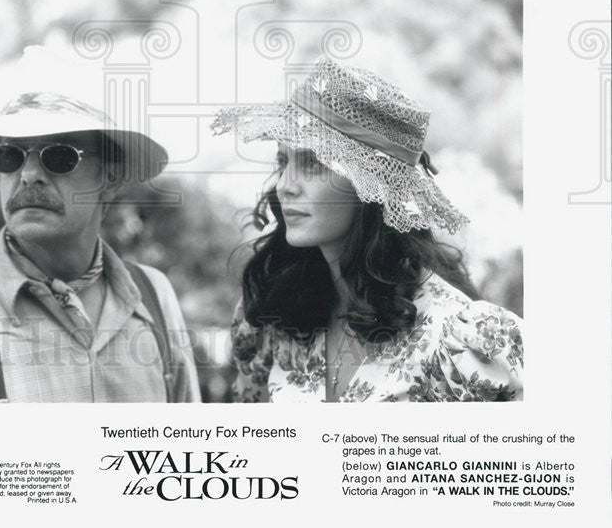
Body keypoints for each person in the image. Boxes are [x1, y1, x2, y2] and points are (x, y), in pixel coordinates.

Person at [212, 56, 523, 403]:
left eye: (313, 163)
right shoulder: (275, 314)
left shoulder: (462, 340)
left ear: (372, 186)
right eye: (283, 162)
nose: (285, 185)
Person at [0, 86, 200, 402]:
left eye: (60, 155)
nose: (29, 174)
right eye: (9, 156)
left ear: (110, 178)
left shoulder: (154, 296)